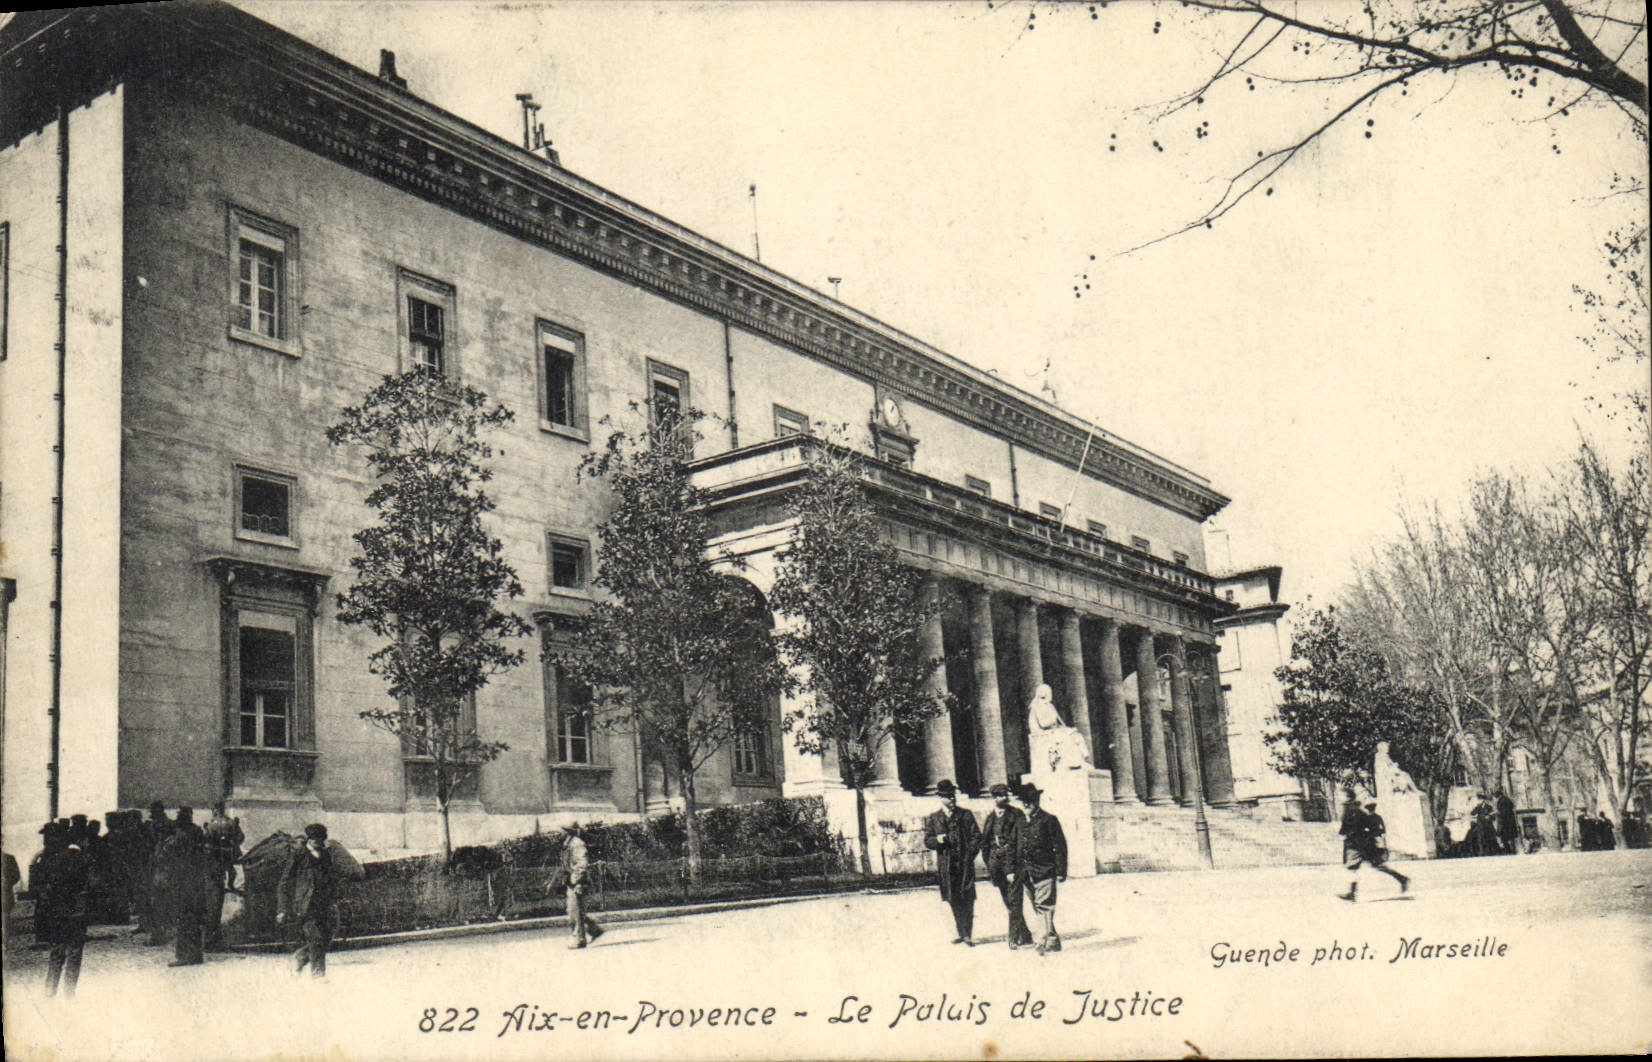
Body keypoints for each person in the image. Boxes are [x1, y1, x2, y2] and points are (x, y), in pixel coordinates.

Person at [277, 823, 362, 978]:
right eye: (315, 840)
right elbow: (285, 881)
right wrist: (282, 908)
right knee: (315, 938)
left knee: (326, 938)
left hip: (326, 903)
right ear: (309, 839)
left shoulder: (327, 854)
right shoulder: (299, 855)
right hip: (306, 905)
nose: (318, 843)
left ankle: (300, 957)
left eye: (320, 840)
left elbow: (340, 872)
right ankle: (318, 975)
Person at [35, 822, 97, 998]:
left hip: (61, 911)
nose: (45, 841)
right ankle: (68, 992)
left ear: (58, 838)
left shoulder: (53, 858)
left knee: (59, 950)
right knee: (72, 952)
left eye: (48, 837)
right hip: (74, 911)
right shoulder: (77, 856)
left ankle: (51, 991)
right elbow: (93, 883)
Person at [922, 779, 980, 946]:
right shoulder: (934, 818)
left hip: (964, 864)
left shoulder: (965, 815)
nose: (952, 799)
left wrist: (969, 855)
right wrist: (937, 840)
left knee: (967, 897)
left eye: (953, 795)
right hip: (947, 866)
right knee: (953, 898)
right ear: (940, 798)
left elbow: (976, 836)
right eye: (948, 796)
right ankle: (961, 932)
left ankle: (968, 934)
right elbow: (927, 840)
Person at [155, 806, 212, 966]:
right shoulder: (197, 833)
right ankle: (195, 955)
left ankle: (185, 956)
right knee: (193, 919)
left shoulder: (178, 837)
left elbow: (163, 857)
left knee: (184, 919)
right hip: (195, 883)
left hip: (182, 884)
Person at [978, 783, 1033, 949]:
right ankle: (1025, 934)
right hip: (997, 866)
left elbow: (1020, 842)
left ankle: (1014, 936)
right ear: (994, 798)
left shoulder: (1016, 815)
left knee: (1015, 900)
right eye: (998, 796)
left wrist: (1012, 868)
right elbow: (985, 843)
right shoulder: (990, 817)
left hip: (1014, 865)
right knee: (1008, 901)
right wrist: (990, 863)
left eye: (1004, 795)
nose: (1002, 798)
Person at [1016, 783, 1067, 955]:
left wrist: (1060, 871)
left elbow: (1060, 846)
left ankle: (1040, 942)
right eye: (1024, 801)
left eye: (1029, 801)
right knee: (1038, 907)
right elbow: (1014, 847)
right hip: (1026, 872)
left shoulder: (1048, 820)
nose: (1026, 804)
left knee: (1044, 905)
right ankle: (1052, 940)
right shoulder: (1020, 821)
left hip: (1045, 870)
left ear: (1037, 801)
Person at [1339, 795, 1409, 900]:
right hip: (1363, 844)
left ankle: (1352, 893)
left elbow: (1346, 829)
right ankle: (1402, 878)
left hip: (1357, 845)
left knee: (1352, 867)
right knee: (1377, 865)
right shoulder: (1357, 812)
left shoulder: (1353, 813)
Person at [203, 803, 244, 949]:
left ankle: (211, 938)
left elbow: (206, 841)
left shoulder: (211, 825)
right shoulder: (231, 822)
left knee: (212, 901)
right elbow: (240, 837)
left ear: (214, 810)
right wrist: (231, 843)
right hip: (228, 859)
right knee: (228, 878)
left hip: (214, 862)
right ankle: (231, 884)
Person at [560, 823, 604, 949]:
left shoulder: (577, 844)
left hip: (579, 881)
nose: (559, 833)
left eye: (562, 830)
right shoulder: (567, 844)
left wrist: (576, 880)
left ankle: (579, 939)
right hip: (572, 881)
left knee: (575, 911)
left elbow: (582, 863)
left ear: (568, 832)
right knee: (573, 910)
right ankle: (593, 929)